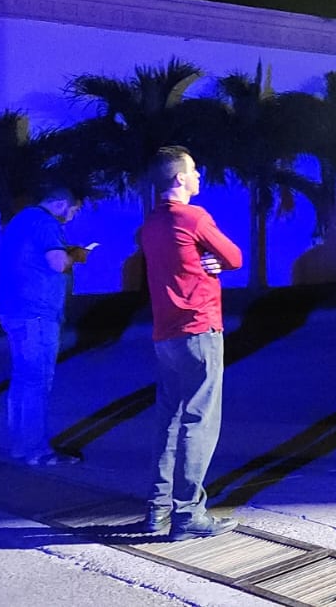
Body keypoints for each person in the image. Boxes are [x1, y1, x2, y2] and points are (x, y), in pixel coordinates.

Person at [138, 146, 243, 539]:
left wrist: (209, 260)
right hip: (199, 330)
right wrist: (216, 261)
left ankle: (157, 509)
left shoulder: (152, 224)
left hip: (165, 334)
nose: (199, 176)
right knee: (200, 421)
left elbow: (182, 262)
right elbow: (234, 256)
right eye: (194, 170)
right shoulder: (193, 217)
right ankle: (188, 514)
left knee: (168, 419)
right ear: (180, 178)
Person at [0, 186, 89, 466]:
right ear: (61, 203)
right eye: (73, 210)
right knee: (37, 381)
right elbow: (58, 263)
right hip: (36, 313)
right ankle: (36, 450)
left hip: (15, 310)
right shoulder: (46, 223)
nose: (72, 217)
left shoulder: (21, 220)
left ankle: (20, 444)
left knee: (23, 378)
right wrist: (77, 255)